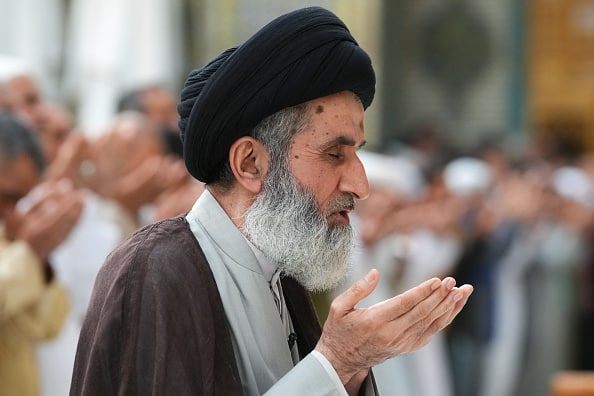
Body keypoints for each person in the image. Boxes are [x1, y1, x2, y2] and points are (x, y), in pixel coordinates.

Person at [70, 7, 473, 395]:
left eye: (358, 154)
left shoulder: (284, 277)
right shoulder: (156, 271)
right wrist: (334, 362)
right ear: (250, 164)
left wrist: (349, 368)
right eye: (335, 154)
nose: (360, 184)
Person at [0, 112, 84, 396]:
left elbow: (41, 328)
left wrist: (42, 258)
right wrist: (29, 252)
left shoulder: (11, 240)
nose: (11, 213)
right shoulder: (18, 251)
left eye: (21, 201)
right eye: (5, 197)